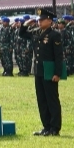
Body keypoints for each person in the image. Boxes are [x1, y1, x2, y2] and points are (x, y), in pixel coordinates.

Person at [23, 7, 64, 136]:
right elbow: (22, 34)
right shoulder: (36, 32)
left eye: (42, 20)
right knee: (41, 100)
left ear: (50, 21)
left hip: (49, 71)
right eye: (39, 20)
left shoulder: (54, 35)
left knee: (51, 99)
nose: (39, 22)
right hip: (38, 70)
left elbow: (58, 56)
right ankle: (46, 126)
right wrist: (26, 24)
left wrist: (57, 73)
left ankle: (54, 128)